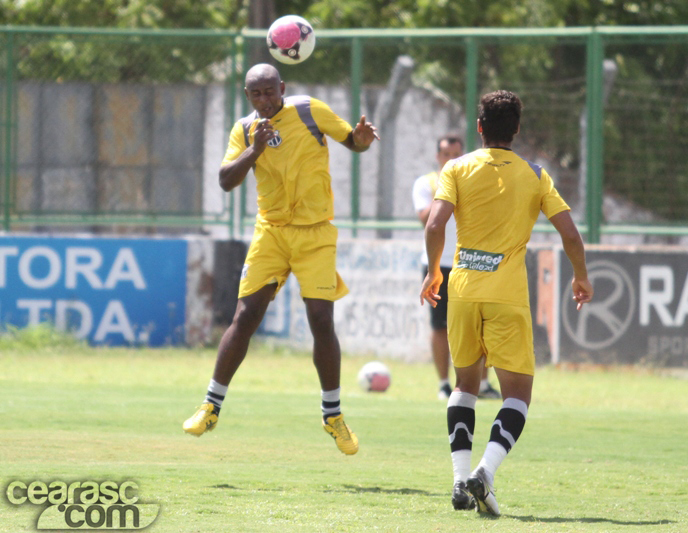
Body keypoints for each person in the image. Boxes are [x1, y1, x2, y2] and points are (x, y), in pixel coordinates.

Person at [183, 63, 379, 456]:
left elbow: (353, 141)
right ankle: (210, 406)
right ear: (247, 96)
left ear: (282, 88)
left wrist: (361, 141)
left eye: (270, 91)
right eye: (256, 94)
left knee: (321, 319)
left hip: (315, 233)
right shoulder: (244, 130)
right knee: (246, 316)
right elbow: (225, 180)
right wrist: (254, 149)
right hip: (270, 232)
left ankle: (333, 415)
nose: (264, 100)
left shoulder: (309, 111)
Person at [420, 90, 593, 515]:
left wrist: (434, 270)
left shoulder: (456, 168)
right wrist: (581, 276)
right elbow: (570, 234)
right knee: (517, 396)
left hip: (462, 289)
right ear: (516, 129)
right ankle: (484, 472)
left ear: (479, 127)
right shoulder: (535, 175)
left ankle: (460, 481)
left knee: (464, 385)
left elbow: (435, 225)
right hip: (507, 295)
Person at [412, 135, 500, 401]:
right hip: (437, 265)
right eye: (446, 154)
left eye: (456, 154)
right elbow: (426, 219)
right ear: (438, 157)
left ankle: (482, 384)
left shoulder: (473, 180)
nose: (450, 159)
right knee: (440, 326)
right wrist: (446, 187)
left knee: (479, 325)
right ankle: (443, 384)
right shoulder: (426, 183)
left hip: (470, 262)